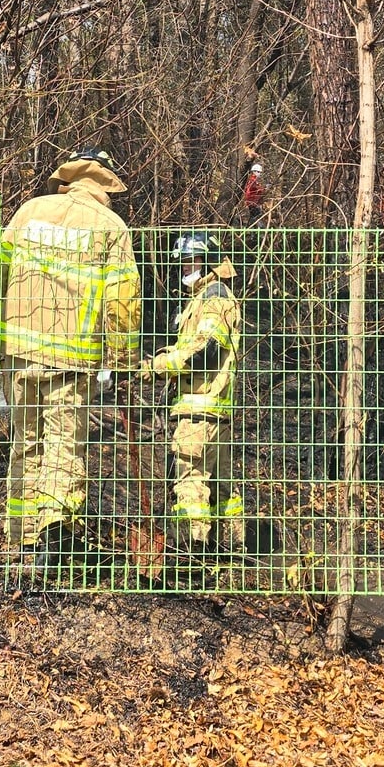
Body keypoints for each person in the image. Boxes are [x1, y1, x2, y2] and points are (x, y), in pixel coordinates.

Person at [0, 145, 141, 572]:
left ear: (70, 177)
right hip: (72, 359)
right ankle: (54, 537)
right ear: (106, 187)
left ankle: (20, 536)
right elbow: (123, 302)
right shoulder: (111, 227)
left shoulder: (29, 212)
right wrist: (121, 361)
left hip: (18, 352)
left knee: (25, 442)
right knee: (63, 447)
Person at [140, 232, 244, 561]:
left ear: (209, 261)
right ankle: (231, 552)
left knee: (190, 481)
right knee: (221, 485)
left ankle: (191, 555)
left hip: (200, 409)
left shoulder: (214, 297)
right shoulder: (203, 297)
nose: (186, 267)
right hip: (213, 410)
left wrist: (160, 366)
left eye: (192, 260)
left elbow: (205, 351)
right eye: (183, 262)